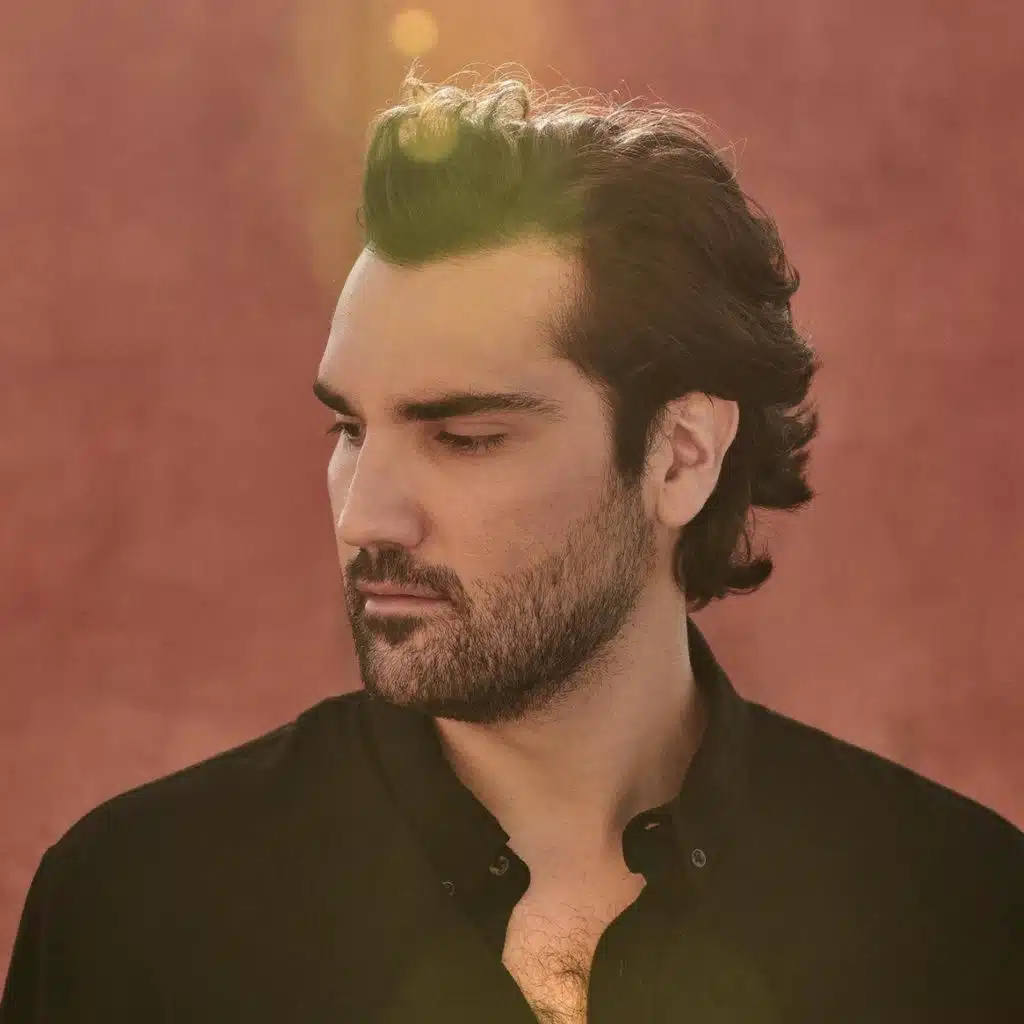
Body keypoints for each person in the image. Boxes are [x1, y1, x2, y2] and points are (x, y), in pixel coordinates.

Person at [2, 68, 1021, 1024]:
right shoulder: (139, 909)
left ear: (680, 455)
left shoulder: (960, 913)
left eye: (465, 437)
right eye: (349, 429)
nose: (365, 517)